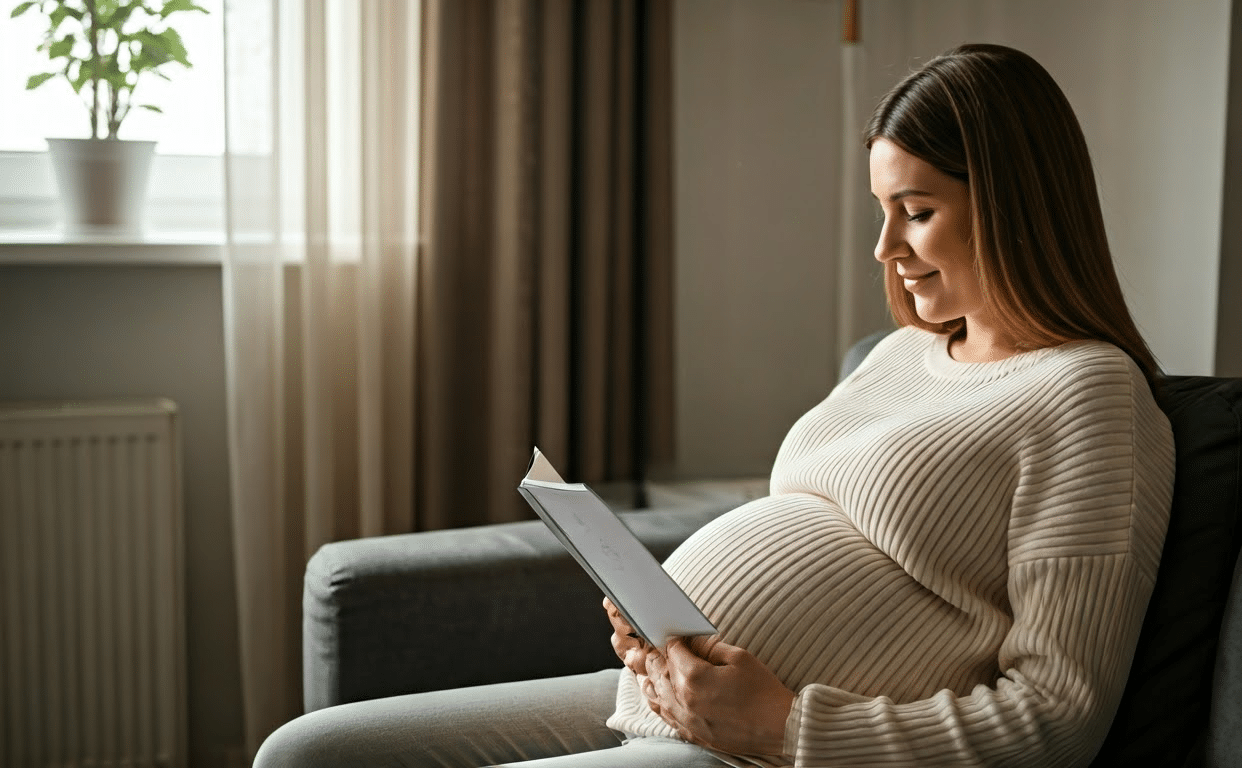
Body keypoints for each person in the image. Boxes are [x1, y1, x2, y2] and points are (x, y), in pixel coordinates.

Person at [254, 42, 1175, 768]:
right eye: (880, 210)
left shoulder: (1087, 397)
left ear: (1015, 206)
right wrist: (663, 617)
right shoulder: (901, 353)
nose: (886, 245)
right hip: (674, 707)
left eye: (919, 210)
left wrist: (785, 728)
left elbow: (1058, 721)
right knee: (309, 751)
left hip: (785, 752)